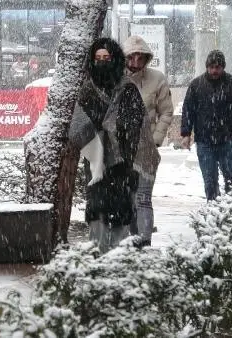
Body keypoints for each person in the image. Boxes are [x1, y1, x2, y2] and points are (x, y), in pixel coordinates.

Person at [69, 38, 160, 253]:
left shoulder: (128, 89)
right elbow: (78, 126)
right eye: (98, 58)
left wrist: (112, 130)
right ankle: (98, 258)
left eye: (106, 58)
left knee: (120, 213)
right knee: (97, 212)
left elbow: (137, 126)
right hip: (95, 165)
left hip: (123, 164)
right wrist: (96, 137)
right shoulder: (88, 91)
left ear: (115, 59)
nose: (102, 63)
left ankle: (119, 260)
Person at [122, 35, 174, 246]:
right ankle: (129, 241)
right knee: (126, 198)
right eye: (131, 57)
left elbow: (166, 112)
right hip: (121, 148)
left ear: (146, 58)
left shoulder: (157, 79)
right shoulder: (116, 80)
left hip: (147, 148)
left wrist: (156, 140)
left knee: (143, 197)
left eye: (140, 57)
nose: (135, 62)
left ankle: (143, 241)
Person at [180, 50, 232, 201]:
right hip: (205, 141)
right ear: (207, 67)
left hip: (228, 140)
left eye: (217, 67)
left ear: (223, 67)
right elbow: (188, 110)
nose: (214, 71)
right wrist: (186, 134)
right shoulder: (196, 85)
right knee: (210, 182)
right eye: (211, 67)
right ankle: (213, 214)